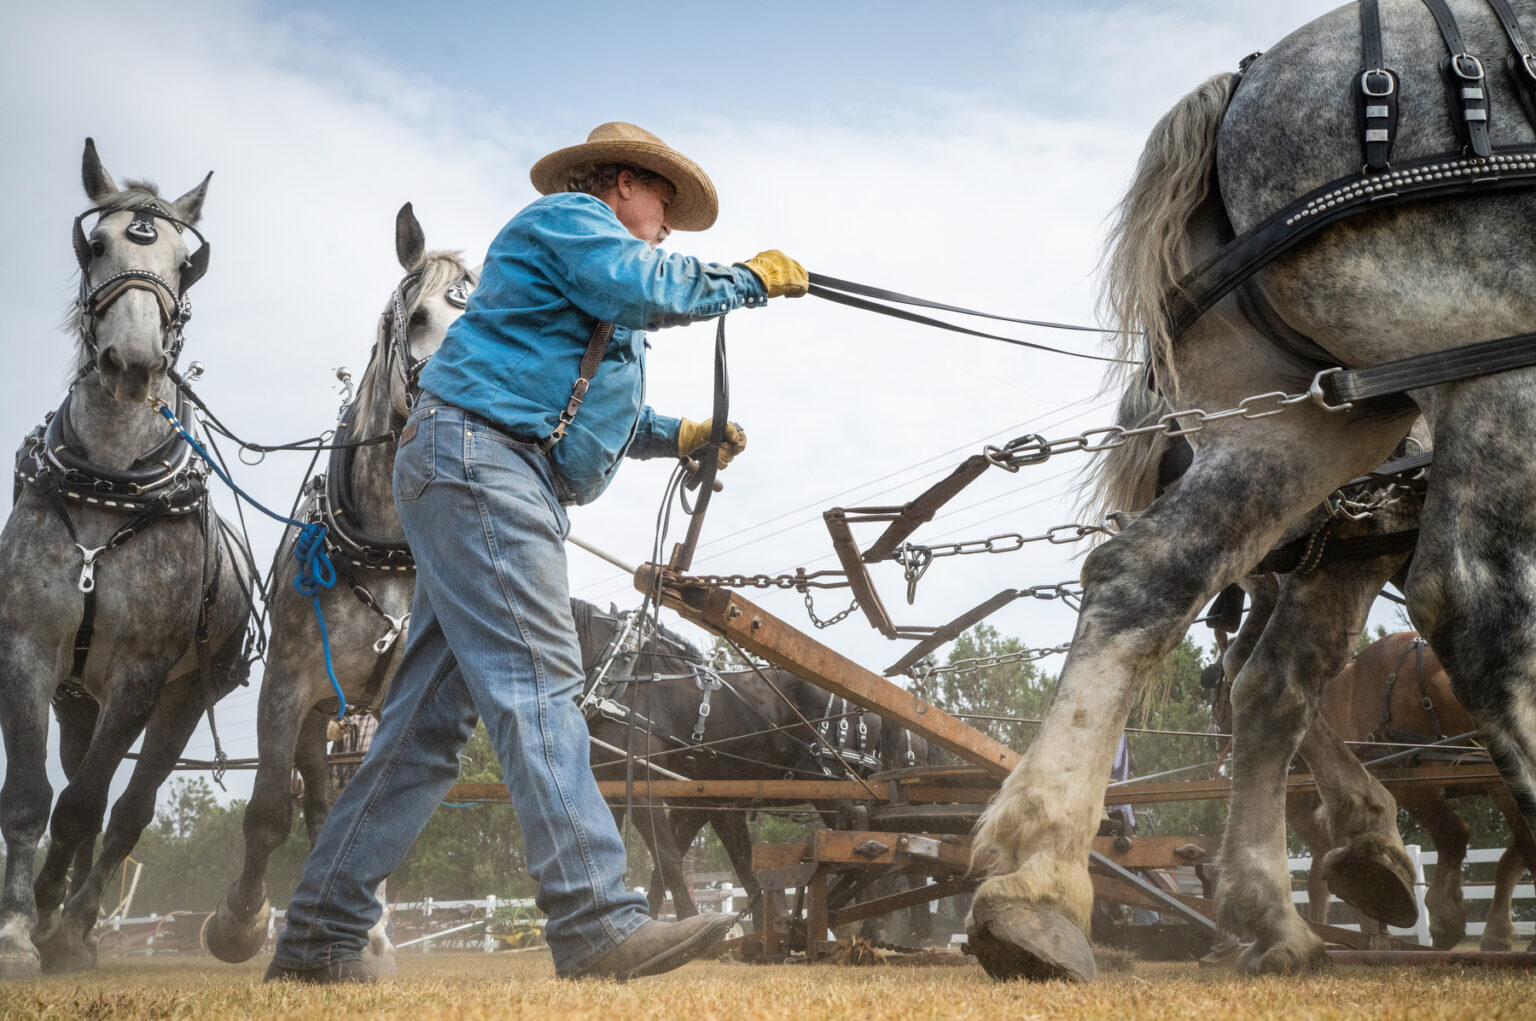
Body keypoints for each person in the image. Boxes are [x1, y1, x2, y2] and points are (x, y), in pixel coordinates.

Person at [266, 122, 807, 984]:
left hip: (477, 465)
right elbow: (648, 281)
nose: (667, 227)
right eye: (666, 207)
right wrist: (745, 280)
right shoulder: (568, 223)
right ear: (627, 183)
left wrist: (679, 435)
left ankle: (318, 937)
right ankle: (593, 918)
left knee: (424, 731)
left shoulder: (587, 281)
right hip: (486, 465)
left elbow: (590, 407)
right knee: (539, 677)